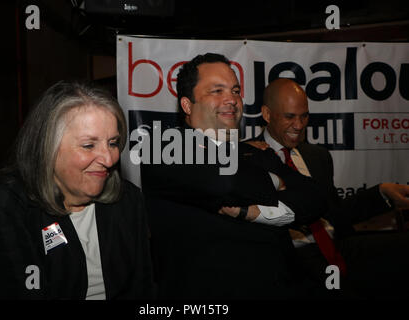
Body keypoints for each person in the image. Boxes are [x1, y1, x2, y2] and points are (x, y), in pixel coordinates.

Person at [141, 53, 329, 299]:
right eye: (216, 91)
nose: (231, 99)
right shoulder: (164, 147)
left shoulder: (256, 153)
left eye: (236, 90)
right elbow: (223, 182)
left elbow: (314, 198)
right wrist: (275, 181)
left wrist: (250, 212)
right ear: (187, 105)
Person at [0, 81, 155, 299]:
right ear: (48, 147)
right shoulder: (10, 205)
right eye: (89, 145)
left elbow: (143, 289)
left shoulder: (127, 199)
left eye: (113, 143)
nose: (109, 159)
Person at [244, 78, 409, 298]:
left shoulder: (317, 157)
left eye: (304, 116)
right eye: (290, 116)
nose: (299, 125)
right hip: (292, 258)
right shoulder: (247, 158)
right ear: (266, 114)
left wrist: (382, 193)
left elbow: (333, 214)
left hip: (335, 246)